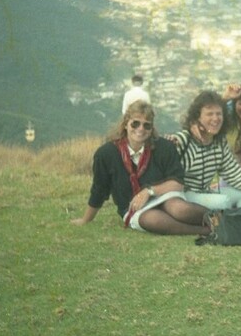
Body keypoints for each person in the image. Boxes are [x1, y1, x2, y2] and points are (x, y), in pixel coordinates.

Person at [73, 101, 210, 235]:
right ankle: (206, 231)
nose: (140, 129)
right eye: (135, 123)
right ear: (125, 124)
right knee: (153, 220)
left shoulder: (164, 147)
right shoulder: (106, 154)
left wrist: (149, 191)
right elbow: (99, 190)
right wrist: (86, 219)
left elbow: (178, 183)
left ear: (151, 129)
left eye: (147, 125)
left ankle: (218, 219)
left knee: (179, 209)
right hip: (133, 207)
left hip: (164, 196)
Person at [172, 90, 241, 232]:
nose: (215, 118)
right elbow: (163, 148)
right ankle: (240, 221)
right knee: (222, 202)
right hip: (185, 195)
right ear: (198, 117)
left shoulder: (219, 142)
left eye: (219, 114)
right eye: (209, 114)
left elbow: (233, 172)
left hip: (206, 191)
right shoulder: (184, 139)